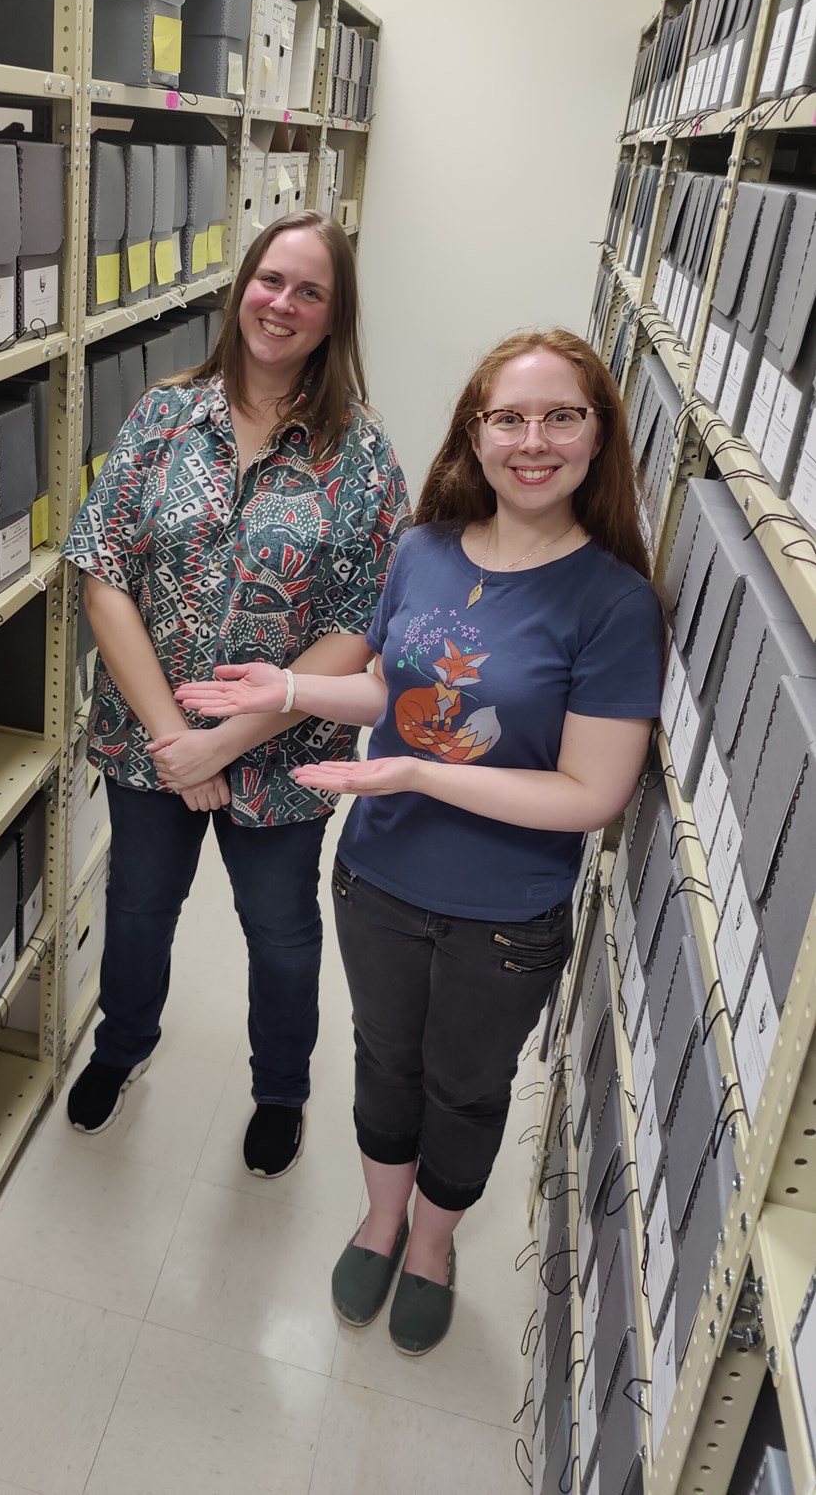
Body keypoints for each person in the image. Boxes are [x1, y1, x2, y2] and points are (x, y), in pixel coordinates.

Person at [176, 328, 663, 1351]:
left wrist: (412, 769)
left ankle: (435, 1241)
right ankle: (382, 1215)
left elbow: (591, 793)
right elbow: (396, 690)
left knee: (468, 1082)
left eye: (560, 416)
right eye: (509, 418)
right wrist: (294, 687)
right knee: (385, 1058)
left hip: (506, 911)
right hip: (378, 875)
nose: (533, 440)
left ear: (596, 434)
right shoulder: (423, 549)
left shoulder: (613, 601)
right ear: (474, 436)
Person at [60, 210, 409, 1178]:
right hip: (150, 742)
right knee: (138, 906)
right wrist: (180, 741)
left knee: (281, 930)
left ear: (334, 318)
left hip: (284, 752)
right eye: (270, 279)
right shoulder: (164, 415)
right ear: (241, 286)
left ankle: (279, 1090)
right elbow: (103, 575)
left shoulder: (363, 457)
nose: (281, 303)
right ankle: (121, 1047)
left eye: (309, 291)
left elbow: (361, 622)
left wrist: (234, 739)